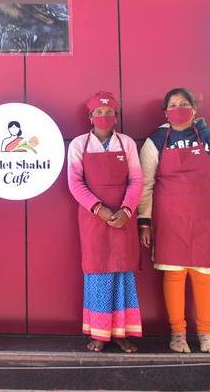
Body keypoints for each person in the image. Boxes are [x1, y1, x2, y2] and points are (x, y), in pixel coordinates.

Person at [138, 88, 210, 353]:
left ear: (194, 109)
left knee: (204, 275)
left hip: (207, 219)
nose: (178, 109)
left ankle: (206, 333)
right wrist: (144, 221)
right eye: (172, 105)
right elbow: (145, 184)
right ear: (165, 112)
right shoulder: (156, 140)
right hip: (169, 220)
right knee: (174, 275)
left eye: (183, 104)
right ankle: (178, 334)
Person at [67, 91, 143, 353]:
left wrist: (126, 210)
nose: (104, 116)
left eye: (109, 112)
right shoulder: (79, 144)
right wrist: (98, 209)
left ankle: (121, 333)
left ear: (116, 116)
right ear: (90, 117)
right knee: (97, 270)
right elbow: (74, 182)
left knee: (123, 271)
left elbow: (137, 179)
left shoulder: (127, 143)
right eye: (98, 112)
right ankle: (99, 333)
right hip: (93, 218)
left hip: (124, 217)